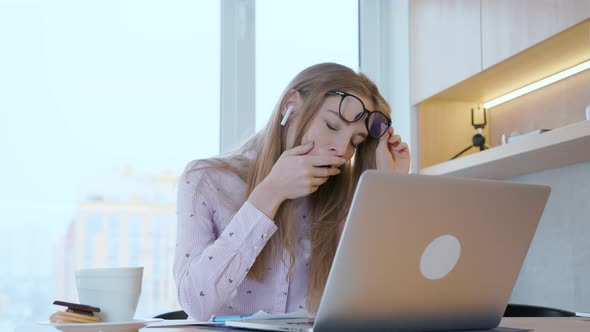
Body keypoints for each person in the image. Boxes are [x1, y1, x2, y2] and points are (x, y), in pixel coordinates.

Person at [173, 63, 410, 321]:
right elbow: (195, 303)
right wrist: (271, 192)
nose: (342, 150)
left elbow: (378, 305)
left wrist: (389, 189)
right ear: (290, 106)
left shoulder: (346, 200)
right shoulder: (204, 179)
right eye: (331, 125)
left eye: (355, 142)